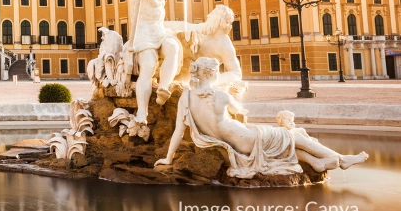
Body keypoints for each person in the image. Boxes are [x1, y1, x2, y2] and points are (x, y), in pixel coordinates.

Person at [156, 57, 368, 178]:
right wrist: (233, 89)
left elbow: (177, 131)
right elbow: (242, 112)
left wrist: (168, 158)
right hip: (247, 140)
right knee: (292, 135)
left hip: (239, 143)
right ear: (212, 74)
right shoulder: (222, 95)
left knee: (286, 143)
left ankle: (317, 162)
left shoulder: (186, 96)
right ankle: (342, 158)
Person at [124, 0, 183, 123]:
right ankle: (142, 112)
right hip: (143, 34)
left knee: (173, 47)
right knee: (148, 65)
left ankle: (163, 87)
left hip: (159, 31)